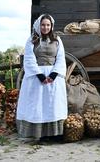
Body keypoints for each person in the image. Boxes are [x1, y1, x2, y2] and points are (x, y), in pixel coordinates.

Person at [16, 14, 67, 142]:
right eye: (43, 25)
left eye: (48, 25)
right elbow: (29, 58)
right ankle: (41, 134)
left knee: (53, 105)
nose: (45, 27)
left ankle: (55, 134)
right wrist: (39, 75)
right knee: (39, 105)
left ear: (51, 26)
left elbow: (61, 58)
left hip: (53, 78)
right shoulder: (32, 40)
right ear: (39, 26)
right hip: (37, 77)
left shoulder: (57, 39)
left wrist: (54, 74)